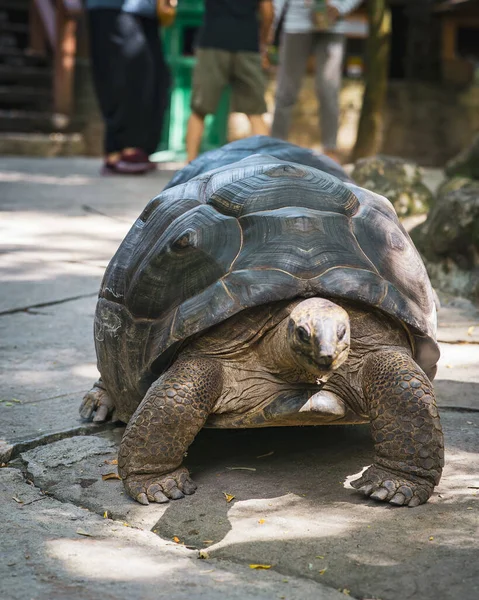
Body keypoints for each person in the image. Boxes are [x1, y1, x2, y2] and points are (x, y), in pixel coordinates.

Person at [85, 0, 171, 174]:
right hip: (113, 7)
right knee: (126, 74)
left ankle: (136, 148)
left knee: (156, 77)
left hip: (147, 9)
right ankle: (121, 149)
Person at [271, 0, 362, 162]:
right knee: (286, 91)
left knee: (329, 90)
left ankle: (330, 150)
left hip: (333, 26)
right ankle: (274, 148)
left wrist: (340, 8)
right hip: (295, 25)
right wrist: (272, 26)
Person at [186, 0, 273, 162]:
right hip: (247, 43)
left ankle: (188, 163)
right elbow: (268, 12)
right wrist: (263, 42)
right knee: (255, 112)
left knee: (199, 109)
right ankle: (267, 165)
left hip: (213, 41)